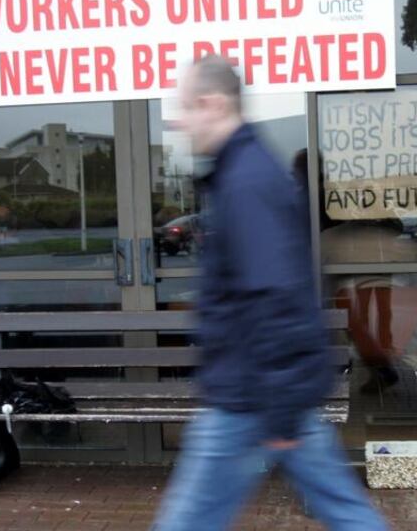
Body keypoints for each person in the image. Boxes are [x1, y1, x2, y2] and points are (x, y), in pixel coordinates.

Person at [151, 55, 389, 531]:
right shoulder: (243, 172)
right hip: (267, 391)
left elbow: (277, 298)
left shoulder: (247, 181)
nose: (178, 120)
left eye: (186, 107)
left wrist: (279, 415)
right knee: (345, 511)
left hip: (250, 398)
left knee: (186, 523)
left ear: (213, 103)